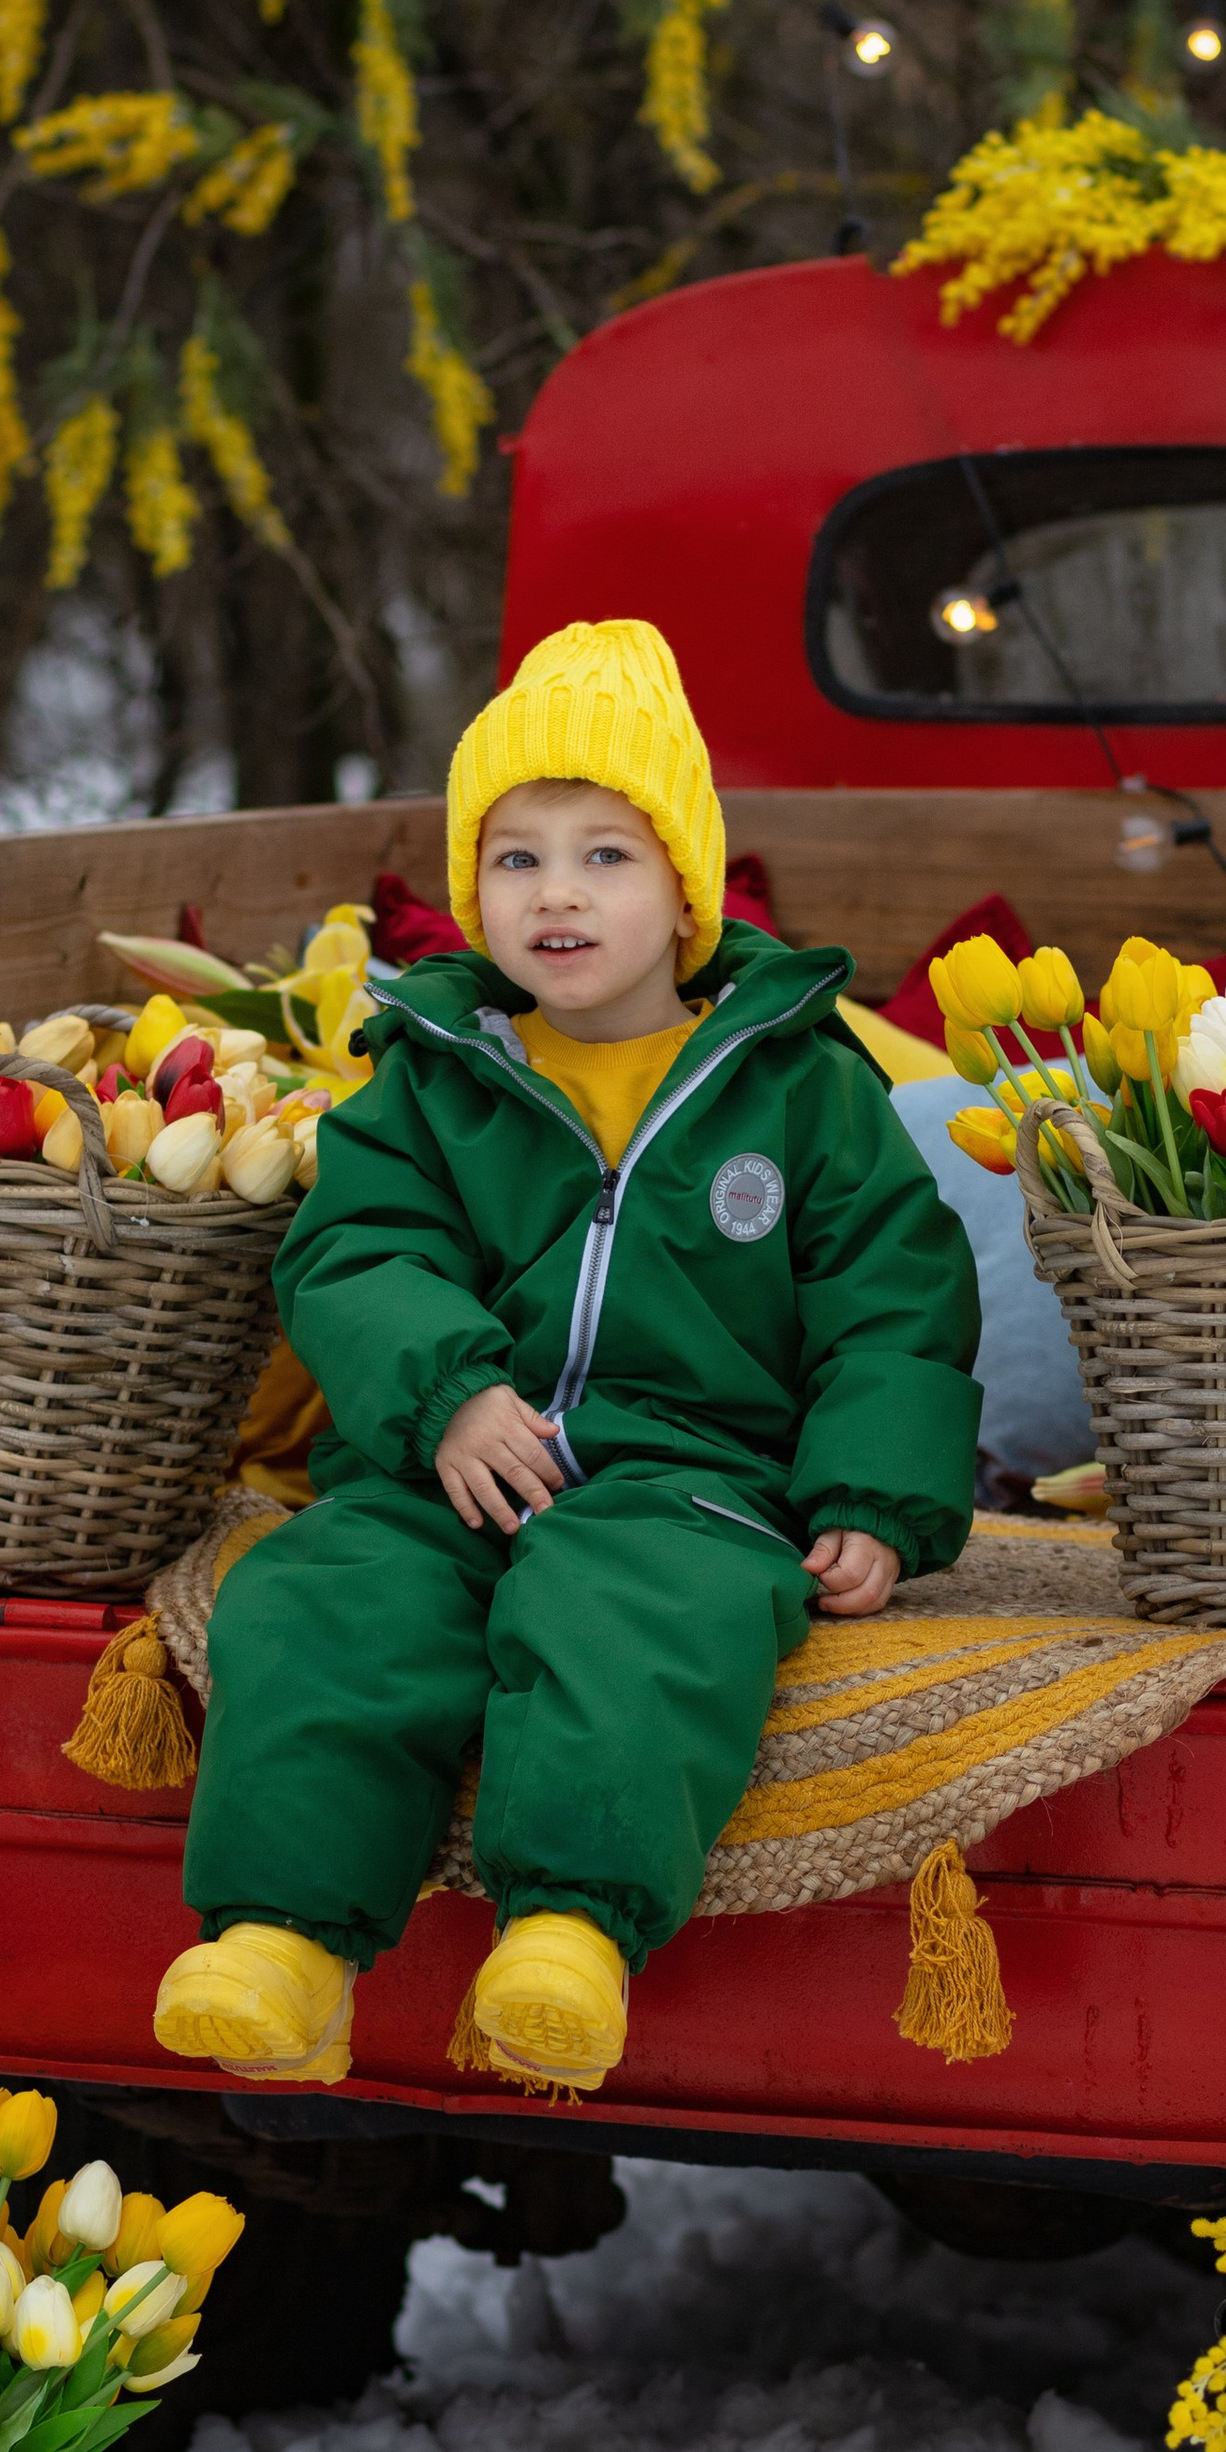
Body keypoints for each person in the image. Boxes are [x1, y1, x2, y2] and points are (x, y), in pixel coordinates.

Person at [150, 616, 981, 2097]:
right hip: (452, 1456)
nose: (558, 894)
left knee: (635, 1621)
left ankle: (567, 1935)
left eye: (607, 854)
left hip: (693, 1473)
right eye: (516, 857)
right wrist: (451, 1389)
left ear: (686, 892)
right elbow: (358, 1249)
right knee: (329, 1604)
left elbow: (891, 1298)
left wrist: (872, 1493)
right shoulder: (435, 1073)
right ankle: (283, 1941)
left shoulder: (795, 1085)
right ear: (475, 894)